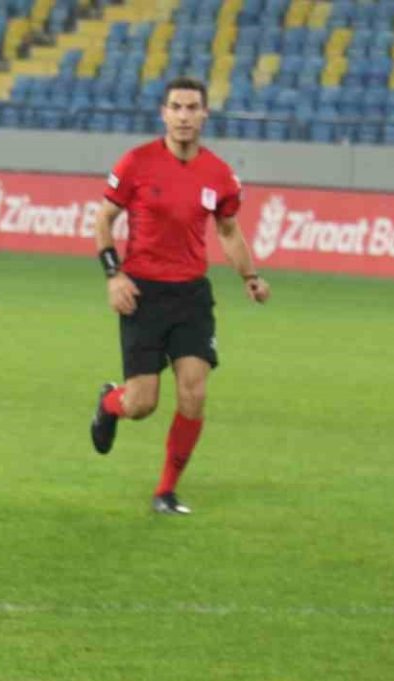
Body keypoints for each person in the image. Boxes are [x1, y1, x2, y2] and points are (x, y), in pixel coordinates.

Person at [88, 76, 270, 515]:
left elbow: (228, 231)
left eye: (192, 108)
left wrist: (250, 276)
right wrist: (114, 276)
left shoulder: (219, 175)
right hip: (143, 293)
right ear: (164, 113)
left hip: (191, 296)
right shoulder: (137, 163)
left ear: (205, 114)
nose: (184, 116)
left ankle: (166, 491)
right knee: (142, 404)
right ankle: (111, 404)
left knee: (194, 393)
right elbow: (103, 220)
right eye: (176, 107)